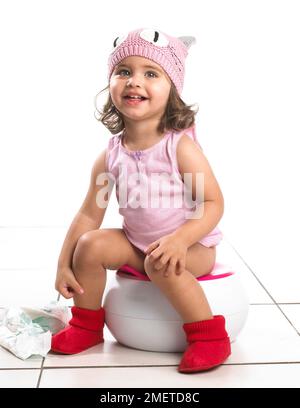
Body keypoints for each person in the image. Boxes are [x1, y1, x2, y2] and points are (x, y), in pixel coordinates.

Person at [51, 27, 231, 373]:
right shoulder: (111, 156)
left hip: (191, 247)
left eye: (151, 73)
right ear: (111, 85)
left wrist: (180, 241)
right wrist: (64, 263)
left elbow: (211, 204)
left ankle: (209, 337)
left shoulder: (179, 149)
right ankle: (86, 326)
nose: (134, 81)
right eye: (124, 72)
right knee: (90, 244)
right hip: (139, 243)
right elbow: (90, 214)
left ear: (172, 89)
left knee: (158, 261)